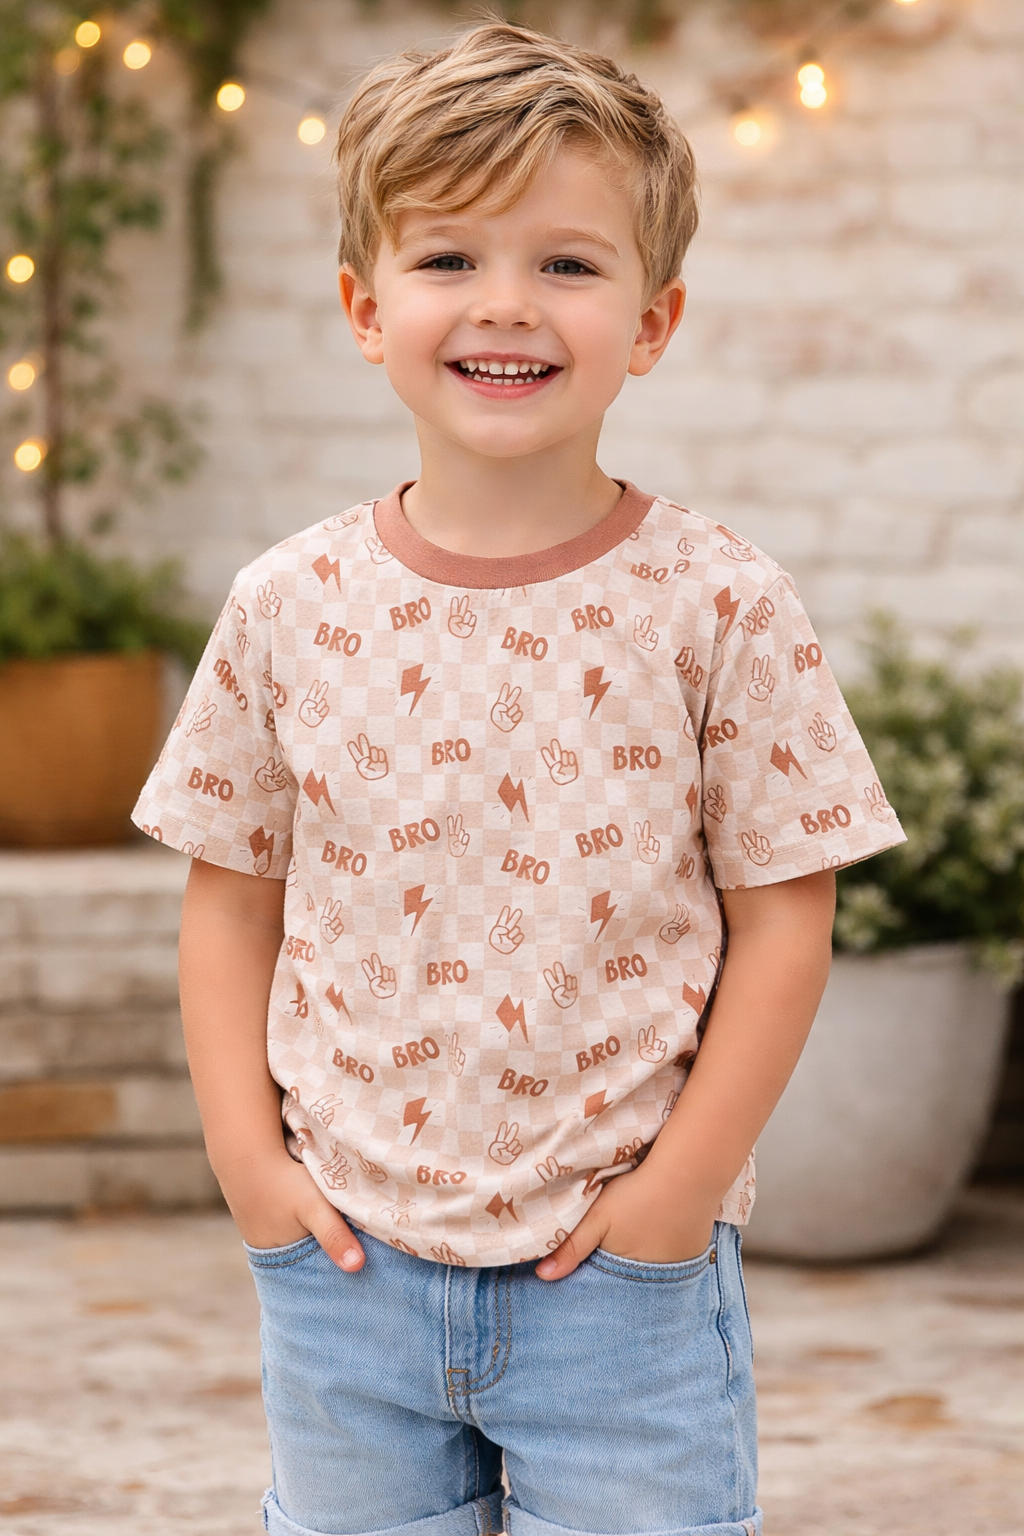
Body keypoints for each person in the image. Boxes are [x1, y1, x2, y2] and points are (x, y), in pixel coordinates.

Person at [134, 22, 904, 1536]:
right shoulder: (286, 606)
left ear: (654, 317)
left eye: (566, 263)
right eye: (448, 261)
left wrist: (675, 1201)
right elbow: (231, 906)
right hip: (345, 1274)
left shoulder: (722, 606)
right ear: (365, 308)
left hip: (620, 1290)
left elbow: (788, 926)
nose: (505, 305)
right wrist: (246, 1161)